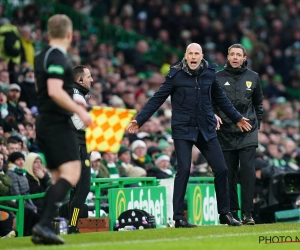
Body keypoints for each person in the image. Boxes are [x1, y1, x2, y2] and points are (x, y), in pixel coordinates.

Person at [127, 43, 252, 228]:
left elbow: (221, 99)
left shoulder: (209, 73)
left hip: (205, 128)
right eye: (190, 53)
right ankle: (178, 218)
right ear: (185, 55)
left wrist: (237, 118)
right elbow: (157, 98)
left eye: (196, 53)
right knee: (184, 169)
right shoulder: (175, 74)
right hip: (183, 129)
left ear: (201, 56)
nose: (193, 56)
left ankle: (225, 213)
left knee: (222, 169)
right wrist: (140, 119)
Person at [32, 14, 92, 245]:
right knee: (72, 175)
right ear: (69, 34)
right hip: (57, 123)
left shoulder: (42, 56)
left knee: (59, 178)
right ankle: (43, 224)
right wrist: (81, 112)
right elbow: (55, 91)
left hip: (46, 121)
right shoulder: (57, 56)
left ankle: (45, 227)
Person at [215, 44, 263, 225]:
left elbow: (258, 103)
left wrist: (256, 123)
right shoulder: (216, 78)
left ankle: (248, 213)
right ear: (227, 57)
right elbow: (210, 102)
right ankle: (232, 212)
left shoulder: (254, 77)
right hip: (225, 131)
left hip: (247, 131)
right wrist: (214, 117)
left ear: (244, 58)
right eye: (232, 54)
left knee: (248, 171)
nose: (235, 57)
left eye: (238, 55)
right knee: (229, 172)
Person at [68, 65, 93, 234]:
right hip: (78, 147)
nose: (91, 80)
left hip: (72, 146)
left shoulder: (73, 94)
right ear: (79, 80)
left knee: (75, 190)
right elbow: (79, 123)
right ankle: (72, 225)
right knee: (82, 189)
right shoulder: (76, 96)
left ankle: (71, 225)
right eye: (89, 76)